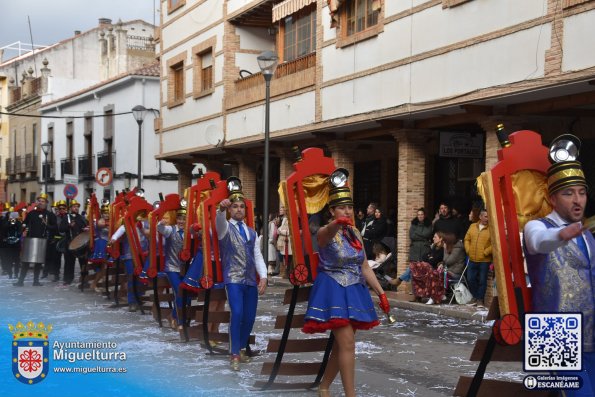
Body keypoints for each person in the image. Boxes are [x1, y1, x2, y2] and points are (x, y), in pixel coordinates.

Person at [302, 170, 390, 397]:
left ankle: (324, 387)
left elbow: (364, 267)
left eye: (350, 207)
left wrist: (381, 294)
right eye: (341, 207)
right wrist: (336, 224)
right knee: (348, 343)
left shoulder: (355, 233)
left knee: (342, 345)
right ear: (331, 210)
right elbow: (325, 234)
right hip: (332, 289)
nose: (347, 211)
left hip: (354, 290)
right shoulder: (325, 232)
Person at [524, 143, 594, 396]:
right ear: (552, 198)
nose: (578, 200)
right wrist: (561, 234)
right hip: (554, 330)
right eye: (568, 193)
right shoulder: (536, 226)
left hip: (591, 331)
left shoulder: (588, 235)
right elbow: (538, 242)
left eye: (582, 193)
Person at [215, 177, 267, 371]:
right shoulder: (225, 228)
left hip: (250, 281)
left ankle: (243, 348)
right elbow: (219, 220)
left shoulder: (252, 232)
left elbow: (257, 256)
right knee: (237, 313)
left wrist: (264, 277)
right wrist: (220, 210)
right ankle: (234, 353)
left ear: (246, 210)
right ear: (230, 210)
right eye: (234, 206)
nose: (238, 209)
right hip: (233, 279)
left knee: (250, 317)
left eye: (241, 207)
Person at [14, 193, 57, 287]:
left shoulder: (49, 215)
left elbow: (54, 227)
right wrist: (24, 227)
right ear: (37, 202)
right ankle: (20, 281)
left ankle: (36, 281)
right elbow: (24, 224)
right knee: (26, 261)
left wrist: (47, 225)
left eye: (43, 201)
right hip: (30, 239)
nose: (40, 203)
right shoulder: (31, 213)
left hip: (42, 240)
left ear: (46, 203)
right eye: (39, 201)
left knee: (38, 262)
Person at [157, 205, 190, 328]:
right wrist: (161, 223)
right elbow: (160, 229)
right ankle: (180, 321)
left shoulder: (189, 233)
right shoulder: (171, 230)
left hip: (185, 269)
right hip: (171, 267)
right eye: (180, 218)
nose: (181, 221)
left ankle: (173, 316)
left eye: (184, 218)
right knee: (179, 292)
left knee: (186, 295)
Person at [391, 208, 432, 290]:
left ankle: (400, 279)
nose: (420, 216)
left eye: (422, 214)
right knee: (413, 271)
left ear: (424, 215)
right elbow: (412, 236)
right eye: (418, 215)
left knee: (419, 272)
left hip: (424, 250)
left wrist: (417, 233)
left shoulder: (429, 224)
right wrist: (422, 235)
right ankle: (415, 293)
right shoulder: (413, 224)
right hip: (414, 251)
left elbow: (427, 234)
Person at [464, 208, 492, 307]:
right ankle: (476, 297)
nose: (487, 219)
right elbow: (466, 239)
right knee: (470, 278)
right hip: (472, 258)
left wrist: (486, 252)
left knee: (482, 280)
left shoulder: (491, 229)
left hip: (484, 260)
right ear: (480, 216)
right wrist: (468, 250)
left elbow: (494, 244)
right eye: (485, 216)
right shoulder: (472, 226)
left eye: (488, 217)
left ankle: (480, 299)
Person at [59, 199, 89, 287]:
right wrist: (69, 226)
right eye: (74, 206)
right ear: (70, 208)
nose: (76, 208)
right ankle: (68, 279)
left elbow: (86, 227)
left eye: (77, 207)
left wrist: (86, 229)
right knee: (69, 262)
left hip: (81, 243)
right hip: (69, 242)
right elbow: (61, 229)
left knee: (83, 262)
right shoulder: (66, 217)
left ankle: (85, 279)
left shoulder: (81, 218)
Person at [276, 205, 292, 278]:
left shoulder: (290, 219)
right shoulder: (284, 219)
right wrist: (279, 230)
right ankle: (284, 272)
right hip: (283, 241)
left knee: (288, 258)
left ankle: (287, 272)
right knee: (283, 257)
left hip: (287, 242)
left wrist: (280, 231)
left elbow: (289, 232)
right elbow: (281, 228)